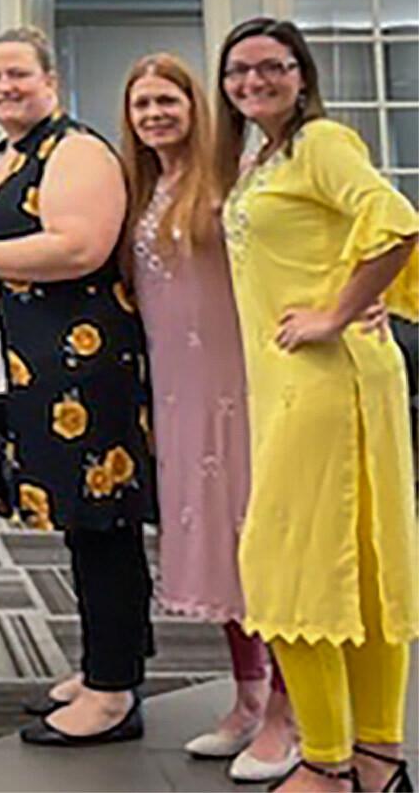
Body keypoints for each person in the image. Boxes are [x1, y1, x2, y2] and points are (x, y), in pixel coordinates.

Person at [216, 17, 418, 793]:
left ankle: (328, 763)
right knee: (350, 569)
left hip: (326, 376)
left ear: (302, 74)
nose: (253, 82)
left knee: (287, 567)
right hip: (299, 382)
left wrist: (339, 310)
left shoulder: (324, 142)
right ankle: (378, 759)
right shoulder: (265, 158)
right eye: (238, 71)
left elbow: (395, 223)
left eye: (272, 67)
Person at [0, 27, 156, 746]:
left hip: (85, 365)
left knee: (103, 521)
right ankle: (107, 662)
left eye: (17, 74)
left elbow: (80, 245)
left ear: (51, 81)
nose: (4, 88)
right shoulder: (10, 155)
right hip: (32, 369)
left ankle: (113, 691)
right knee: (82, 521)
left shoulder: (77, 149)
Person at [120, 52, 299, 782]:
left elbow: (300, 246)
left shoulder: (235, 177)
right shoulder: (145, 186)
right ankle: (248, 693)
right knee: (218, 543)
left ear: (195, 106)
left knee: (259, 541)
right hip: (176, 390)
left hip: (239, 381)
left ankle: (291, 710)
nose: (156, 115)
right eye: (141, 106)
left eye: (168, 101)